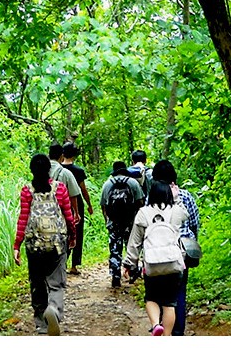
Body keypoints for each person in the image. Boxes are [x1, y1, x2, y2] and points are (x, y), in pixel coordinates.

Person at [14, 153, 77, 336]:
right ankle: (54, 310)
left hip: (34, 246)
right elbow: (68, 215)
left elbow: (23, 219)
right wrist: (72, 235)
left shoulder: (27, 191)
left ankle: (41, 324)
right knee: (56, 283)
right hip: (57, 243)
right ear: (49, 170)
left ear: (32, 170)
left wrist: (17, 245)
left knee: (37, 283)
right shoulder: (60, 189)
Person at [124, 180, 188, 337]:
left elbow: (135, 242)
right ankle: (166, 336)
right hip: (173, 264)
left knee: (151, 298)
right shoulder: (175, 211)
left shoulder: (143, 213)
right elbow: (186, 214)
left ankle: (155, 325)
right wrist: (176, 197)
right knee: (170, 303)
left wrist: (129, 264)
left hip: (152, 266)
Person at [152, 160, 200, 336]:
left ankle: (161, 327)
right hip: (181, 252)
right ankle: (178, 333)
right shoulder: (186, 196)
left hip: (158, 252)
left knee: (158, 292)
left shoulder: (152, 199)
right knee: (179, 291)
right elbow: (195, 224)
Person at [101, 160, 144, 289]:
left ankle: (115, 275)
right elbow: (140, 201)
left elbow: (104, 205)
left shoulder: (107, 184)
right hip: (130, 222)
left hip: (114, 222)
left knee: (115, 249)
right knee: (132, 247)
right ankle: (132, 272)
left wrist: (107, 220)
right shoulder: (133, 183)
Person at [60, 143, 94, 275]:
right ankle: (74, 265)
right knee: (77, 232)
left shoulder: (58, 169)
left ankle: (62, 262)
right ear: (75, 154)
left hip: (61, 201)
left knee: (62, 232)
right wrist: (89, 205)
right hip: (76, 202)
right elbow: (83, 190)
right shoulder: (78, 170)